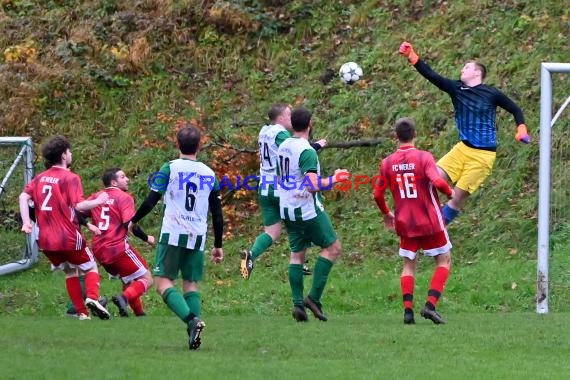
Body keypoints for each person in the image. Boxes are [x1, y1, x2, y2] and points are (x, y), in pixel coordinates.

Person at [399, 41, 530, 225]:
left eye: (466, 67)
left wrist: (521, 128)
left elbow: (515, 109)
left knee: (457, 198)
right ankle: (418, 218)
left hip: (483, 157)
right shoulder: (457, 89)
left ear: (477, 72)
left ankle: (436, 229)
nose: (462, 69)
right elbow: (432, 76)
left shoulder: (491, 93)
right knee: (429, 180)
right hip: (461, 149)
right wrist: (412, 56)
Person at [130, 125, 224, 350]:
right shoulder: (209, 173)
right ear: (199, 146)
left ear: (177, 144)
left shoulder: (170, 168)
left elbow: (152, 199)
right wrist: (218, 245)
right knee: (190, 284)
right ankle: (195, 334)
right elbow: (218, 215)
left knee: (163, 283)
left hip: (173, 233)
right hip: (197, 235)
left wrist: (134, 220)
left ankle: (192, 321)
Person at [18, 135, 110, 320]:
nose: (71, 154)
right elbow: (78, 206)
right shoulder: (70, 177)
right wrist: (98, 201)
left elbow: (22, 197)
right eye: (69, 151)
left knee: (70, 272)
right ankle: (92, 298)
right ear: (63, 155)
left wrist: (27, 222)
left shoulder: (39, 178)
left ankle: (82, 314)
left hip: (45, 239)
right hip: (67, 235)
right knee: (91, 267)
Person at [374, 117, 454, 324]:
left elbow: (377, 194)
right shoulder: (424, 157)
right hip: (430, 220)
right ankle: (430, 306)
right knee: (444, 261)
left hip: (405, 222)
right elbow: (437, 180)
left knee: (409, 265)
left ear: (395, 137)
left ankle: (408, 311)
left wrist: (386, 213)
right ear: (415, 134)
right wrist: (449, 192)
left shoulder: (387, 163)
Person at [277, 106, 348, 322]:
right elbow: (312, 185)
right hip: (305, 210)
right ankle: (313, 298)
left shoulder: (284, 145)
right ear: (310, 124)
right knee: (333, 248)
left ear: (291, 125)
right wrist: (335, 179)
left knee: (297, 254)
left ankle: (298, 304)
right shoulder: (306, 151)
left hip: (287, 208)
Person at [240, 103, 327, 280]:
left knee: (272, 232)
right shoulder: (280, 133)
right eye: (288, 115)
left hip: (264, 186)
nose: (291, 118)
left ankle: (251, 255)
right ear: (280, 119)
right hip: (279, 187)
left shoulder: (264, 130)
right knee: (301, 218)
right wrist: (315, 146)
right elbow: (293, 151)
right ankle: (299, 261)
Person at [86, 168, 155, 317]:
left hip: (99, 249)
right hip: (117, 247)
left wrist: (87, 225)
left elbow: (78, 211)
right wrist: (147, 238)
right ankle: (123, 298)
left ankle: (139, 314)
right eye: (123, 177)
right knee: (147, 279)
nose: (127, 179)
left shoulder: (96, 196)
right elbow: (129, 224)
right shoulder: (123, 197)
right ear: (113, 182)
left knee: (128, 279)